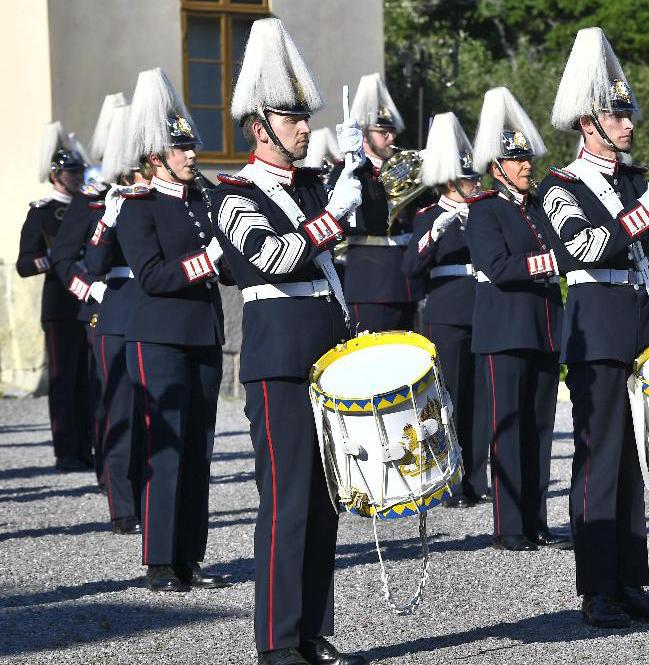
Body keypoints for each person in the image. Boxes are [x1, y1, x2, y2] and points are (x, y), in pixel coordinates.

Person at [212, 17, 366, 665]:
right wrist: (332, 218)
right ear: (259, 125)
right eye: (291, 116)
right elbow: (272, 258)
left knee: (326, 502)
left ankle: (311, 631)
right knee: (288, 503)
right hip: (277, 361)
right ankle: (277, 641)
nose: (304, 126)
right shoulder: (232, 194)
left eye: (306, 116)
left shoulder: (310, 186)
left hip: (325, 356)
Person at [539, 26, 649, 627]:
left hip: (636, 322)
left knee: (633, 461)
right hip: (596, 326)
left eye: (628, 115)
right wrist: (643, 211)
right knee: (598, 458)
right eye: (617, 115)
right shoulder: (559, 185)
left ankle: (630, 579)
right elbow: (584, 246)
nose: (629, 125)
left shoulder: (631, 179)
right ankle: (597, 588)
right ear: (587, 124)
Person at [117, 68, 228, 594]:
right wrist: (207, 260)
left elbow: (225, 262)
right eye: (181, 151)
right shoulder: (138, 209)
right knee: (166, 446)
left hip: (202, 334)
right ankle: (159, 560)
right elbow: (154, 275)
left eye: (190, 149)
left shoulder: (204, 201)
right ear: (156, 158)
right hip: (158, 335)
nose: (191, 157)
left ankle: (190, 556)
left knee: (199, 449)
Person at [464, 88, 569, 550]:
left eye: (527, 158)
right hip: (504, 330)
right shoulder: (485, 211)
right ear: (496, 167)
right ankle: (509, 527)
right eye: (516, 160)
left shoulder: (540, 207)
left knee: (540, 429)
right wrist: (551, 262)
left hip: (543, 326)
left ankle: (537, 520)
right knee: (508, 429)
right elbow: (499, 267)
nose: (527, 165)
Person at [402, 112, 489, 508]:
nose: (477, 185)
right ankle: (450, 480)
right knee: (449, 399)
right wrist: (434, 235)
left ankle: (475, 479)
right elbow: (411, 267)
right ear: (452, 182)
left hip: (483, 309)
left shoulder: (484, 212)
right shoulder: (426, 217)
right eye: (470, 180)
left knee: (480, 401)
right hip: (448, 311)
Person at [51, 93, 127, 489]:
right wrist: (89, 289)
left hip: (139, 302)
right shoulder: (89, 200)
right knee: (107, 392)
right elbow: (63, 259)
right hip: (100, 302)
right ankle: (110, 474)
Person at [84, 100, 147, 536]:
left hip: (158, 309)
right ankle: (122, 506)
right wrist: (108, 216)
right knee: (121, 413)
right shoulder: (108, 204)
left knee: (152, 418)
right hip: (119, 310)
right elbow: (85, 260)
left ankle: (151, 499)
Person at [17, 122, 94, 472]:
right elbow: (24, 263)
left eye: (78, 171)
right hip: (61, 304)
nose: (76, 177)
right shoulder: (43, 212)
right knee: (64, 379)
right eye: (69, 171)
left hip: (89, 300)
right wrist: (56, 258)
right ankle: (66, 450)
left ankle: (86, 446)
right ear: (55, 175)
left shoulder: (90, 206)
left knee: (88, 379)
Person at [336, 72, 427, 333]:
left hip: (405, 281)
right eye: (383, 131)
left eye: (392, 131)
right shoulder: (349, 171)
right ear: (365, 134)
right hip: (369, 281)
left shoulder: (407, 170)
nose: (391, 138)